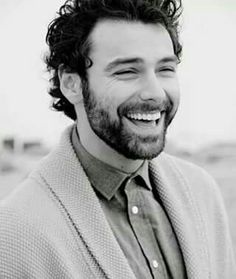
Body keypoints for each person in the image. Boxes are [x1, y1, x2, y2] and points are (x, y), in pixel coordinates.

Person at [0, 0, 235, 278]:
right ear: (71, 83)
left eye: (165, 69)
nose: (155, 92)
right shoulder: (16, 232)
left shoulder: (202, 192)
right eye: (127, 71)